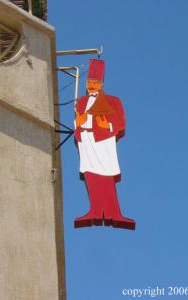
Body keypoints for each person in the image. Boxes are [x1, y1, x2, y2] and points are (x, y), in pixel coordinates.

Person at [73, 59, 135, 230]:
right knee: (90, 174)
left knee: (106, 176)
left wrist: (105, 125)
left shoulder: (113, 101)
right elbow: (78, 122)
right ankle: (94, 210)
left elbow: (120, 122)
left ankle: (113, 212)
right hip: (86, 141)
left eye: (94, 82)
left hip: (103, 141)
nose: (91, 85)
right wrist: (79, 123)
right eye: (89, 82)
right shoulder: (82, 102)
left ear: (100, 83)